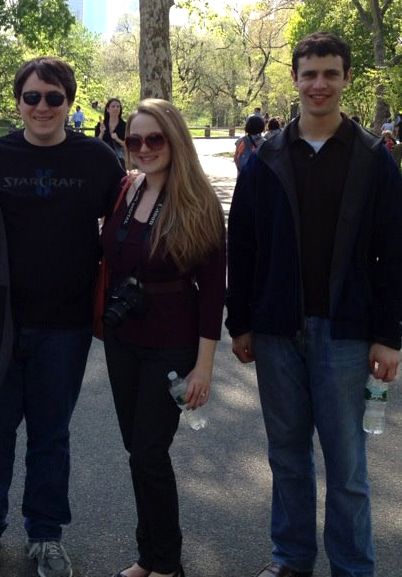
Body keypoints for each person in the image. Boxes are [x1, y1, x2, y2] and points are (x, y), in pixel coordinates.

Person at [226, 32, 402, 577]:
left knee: (347, 464)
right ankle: (291, 560)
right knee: (286, 457)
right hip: (278, 329)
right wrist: (241, 322)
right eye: (309, 73)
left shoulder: (373, 158)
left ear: (346, 79)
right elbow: (244, 244)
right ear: (294, 79)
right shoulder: (265, 159)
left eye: (330, 74)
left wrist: (388, 334)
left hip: (347, 332)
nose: (319, 84)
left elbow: (395, 250)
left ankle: (353, 566)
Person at [0, 57, 125, 577]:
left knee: (51, 434)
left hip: (65, 326)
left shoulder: (97, 159)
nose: (42, 106)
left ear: (69, 102)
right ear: (17, 101)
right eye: (32, 96)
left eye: (53, 97)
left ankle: (45, 535)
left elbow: (124, 233)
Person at [101, 99, 226, 577]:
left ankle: (168, 563)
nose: (144, 148)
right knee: (138, 451)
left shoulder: (198, 202)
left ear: (174, 139)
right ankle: (146, 556)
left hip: (171, 346)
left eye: (155, 139)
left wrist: (204, 367)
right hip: (123, 340)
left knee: (151, 452)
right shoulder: (126, 190)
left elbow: (214, 293)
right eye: (134, 140)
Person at [98, 98, 127, 162]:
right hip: (103, 158)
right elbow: (96, 144)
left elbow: (128, 146)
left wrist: (117, 139)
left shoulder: (125, 126)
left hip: (120, 160)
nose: (116, 108)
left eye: (118, 106)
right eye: (113, 106)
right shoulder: (101, 124)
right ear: (108, 109)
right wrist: (101, 133)